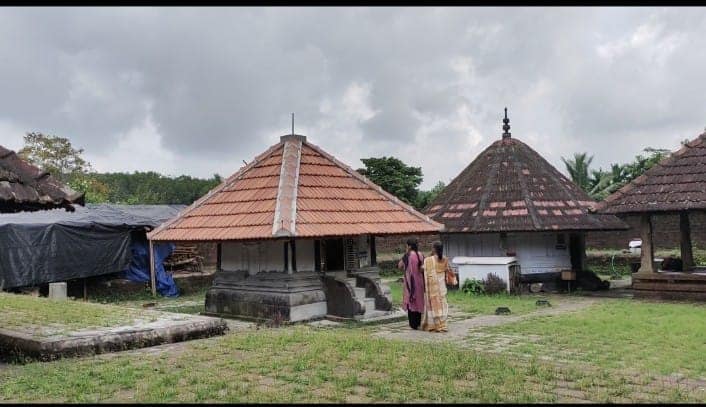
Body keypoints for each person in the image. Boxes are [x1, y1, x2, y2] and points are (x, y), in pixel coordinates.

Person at [421, 240, 450, 333]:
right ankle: (443, 325)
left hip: (433, 286)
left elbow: (422, 268)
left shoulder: (428, 260)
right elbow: (448, 270)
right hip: (442, 286)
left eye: (432, 247)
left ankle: (435, 325)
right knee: (443, 305)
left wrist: (430, 256)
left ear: (434, 249)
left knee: (434, 305)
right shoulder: (445, 259)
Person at [398, 238, 425, 330]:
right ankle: (418, 322)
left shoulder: (408, 255)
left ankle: (413, 324)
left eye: (406, 246)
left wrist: (406, 253)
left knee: (411, 301)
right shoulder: (421, 254)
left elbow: (400, 266)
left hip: (410, 283)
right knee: (419, 300)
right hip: (420, 282)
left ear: (409, 246)